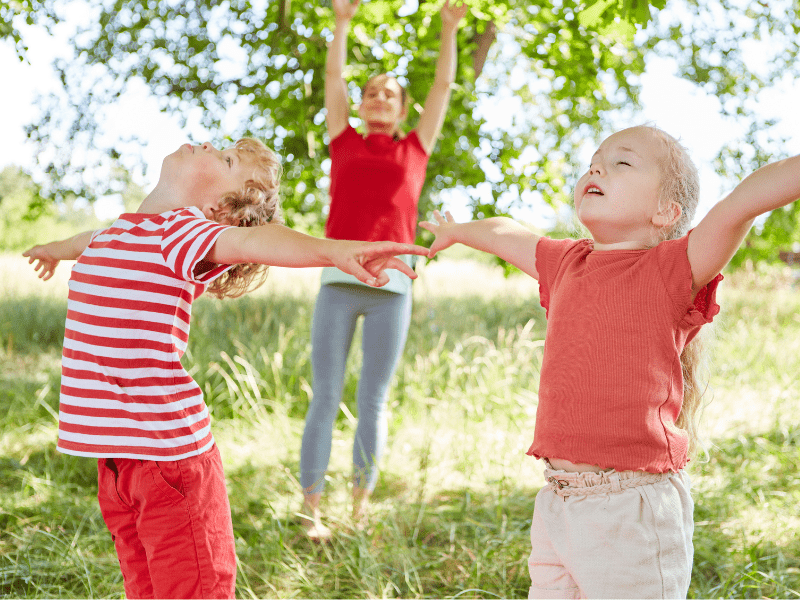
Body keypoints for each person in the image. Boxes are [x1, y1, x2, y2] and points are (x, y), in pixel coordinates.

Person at [23, 137, 427, 599]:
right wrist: (52, 250)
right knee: (145, 591)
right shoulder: (115, 233)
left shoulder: (183, 233)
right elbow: (81, 243)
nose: (208, 143)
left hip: (169, 463)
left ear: (217, 206)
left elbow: (255, 240)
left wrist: (332, 251)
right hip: (117, 465)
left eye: (228, 159)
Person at [420, 125, 800, 598]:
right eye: (594, 161)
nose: (596, 167)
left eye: (622, 162)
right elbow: (503, 231)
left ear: (666, 210)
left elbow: (742, 204)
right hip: (557, 502)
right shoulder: (564, 263)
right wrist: (458, 232)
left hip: (632, 511)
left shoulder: (670, 269)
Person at [298, 0, 468, 539]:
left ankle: (358, 507)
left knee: (373, 399)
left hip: (394, 289)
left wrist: (449, 31)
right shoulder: (342, 142)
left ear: (401, 108)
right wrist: (341, 22)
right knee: (324, 394)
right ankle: (311, 509)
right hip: (338, 284)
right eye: (370, 92)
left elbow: (442, 90)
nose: (377, 99)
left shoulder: (415, 151)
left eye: (388, 94)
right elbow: (332, 76)